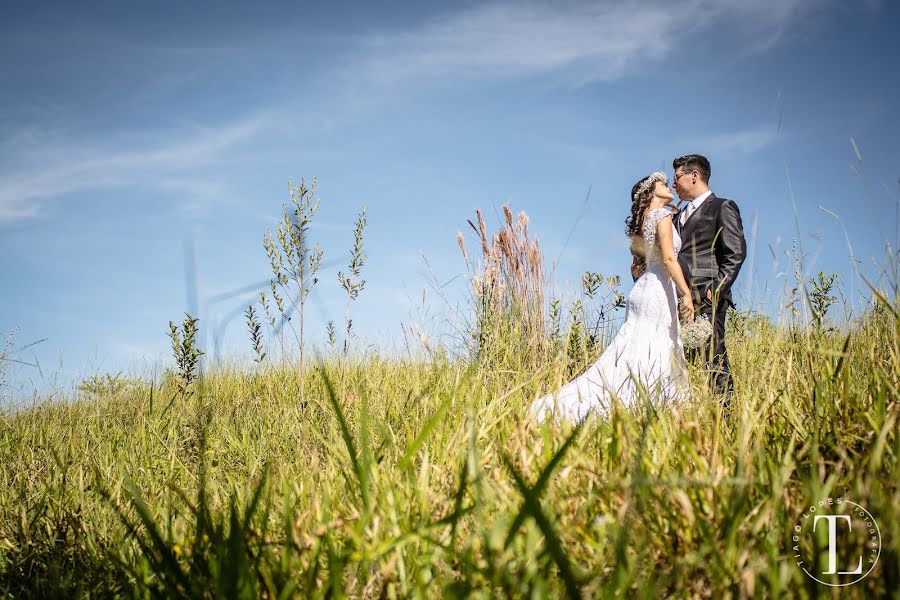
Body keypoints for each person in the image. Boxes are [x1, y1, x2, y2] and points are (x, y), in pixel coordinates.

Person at [531, 172, 693, 422]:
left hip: (644, 288)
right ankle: (651, 403)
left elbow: (636, 267)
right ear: (651, 191)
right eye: (662, 183)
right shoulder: (662, 215)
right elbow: (670, 259)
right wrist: (686, 293)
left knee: (634, 346)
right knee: (658, 345)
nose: (668, 185)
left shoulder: (644, 222)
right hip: (660, 288)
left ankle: (633, 396)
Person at [670, 154, 746, 408]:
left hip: (706, 295)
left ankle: (725, 414)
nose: (673, 184)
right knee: (684, 359)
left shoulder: (722, 207)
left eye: (677, 177)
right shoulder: (674, 216)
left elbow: (735, 252)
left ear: (694, 176)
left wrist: (717, 289)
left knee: (712, 356)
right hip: (679, 297)